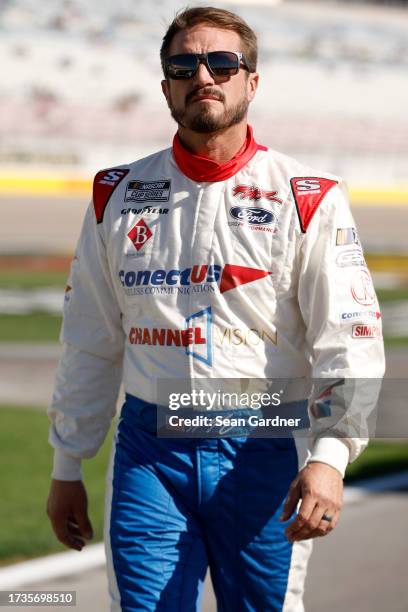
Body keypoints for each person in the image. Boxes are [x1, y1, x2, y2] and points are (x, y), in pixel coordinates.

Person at [46, 6, 385, 611]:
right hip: (152, 452)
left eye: (222, 62)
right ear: (166, 87)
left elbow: (350, 338)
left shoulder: (308, 197)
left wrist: (332, 457)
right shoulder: (116, 196)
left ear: (251, 81)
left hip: (266, 446)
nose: (203, 75)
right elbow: (89, 338)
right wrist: (67, 463)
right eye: (184, 64)